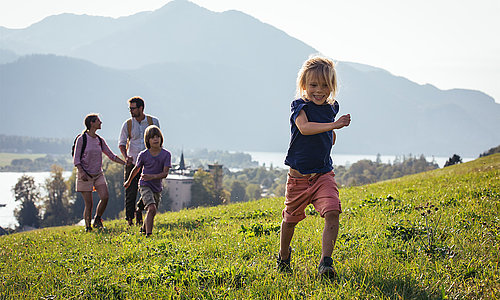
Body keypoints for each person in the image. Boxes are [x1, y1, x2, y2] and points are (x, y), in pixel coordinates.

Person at [277, 55, 351, 279]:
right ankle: (283, 254)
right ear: (303, 86)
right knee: (290, 221)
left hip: (322, 175)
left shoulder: (331, 108)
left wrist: (331, 133)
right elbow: (305, 128)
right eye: (313, 85)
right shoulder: (299, 107)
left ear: (332, 86)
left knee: (333, 212)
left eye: (325, 85)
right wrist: (334, 125)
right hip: (298, 179)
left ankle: (325, 263)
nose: (319, 90)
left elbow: (326, 134)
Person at [74, 114, 126, 232]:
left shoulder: (99, 140)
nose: (101, 122)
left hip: (98, 174)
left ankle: (97, 218)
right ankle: (88, 227)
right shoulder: (82, 139)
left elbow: (111, 155)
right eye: (98, 121)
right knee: (89, 204)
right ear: (92, 123)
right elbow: (76, 159)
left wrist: (125, 163)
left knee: (105, 196)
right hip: (85, 175)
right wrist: (81, 172)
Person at [118, 96, 160, 226]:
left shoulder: (153, 121)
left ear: (141, 108)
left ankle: (140, 209)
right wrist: (126, 157)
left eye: (133, 108)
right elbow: (122, 143)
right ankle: (129, 220)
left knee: (153, 189)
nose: (131, 111)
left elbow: (158, 140)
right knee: (130, 191)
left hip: (150, 162)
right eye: (130, 108)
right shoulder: (128, 124)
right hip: (134, 162)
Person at [124, 125, 171, 236]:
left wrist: (152, 177)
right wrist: (129, 181)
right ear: (147, 140)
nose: (155, 139)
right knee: (152, 208)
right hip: (144, 185)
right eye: (152, 137)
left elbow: (165, 174)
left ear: (161, 138)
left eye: (157, 137)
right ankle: (148, 235)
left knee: (152, 211)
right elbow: (136, 169)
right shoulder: (143, 155)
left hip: (157, 187)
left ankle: (143, 229)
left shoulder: (166, 155)